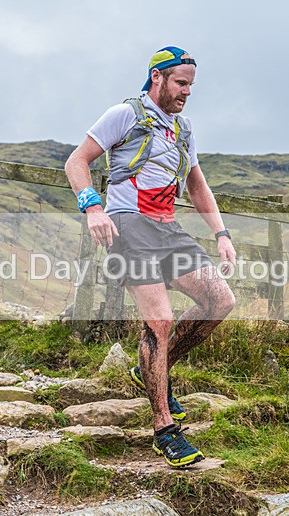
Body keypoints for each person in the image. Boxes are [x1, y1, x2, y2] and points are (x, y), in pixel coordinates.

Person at [65, 46, 236, 467]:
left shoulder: (183, 129)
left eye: (191, 86)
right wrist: (93, 207)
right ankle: (164, 429)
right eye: (181, 83)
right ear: (156, 77)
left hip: (168, 228)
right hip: (129, 224)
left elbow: (197, 185)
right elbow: (77, 161)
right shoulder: (125, 114)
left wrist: (222, 234)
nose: (187, 93)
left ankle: (151, 370)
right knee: (158, 321)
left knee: (221, 301)